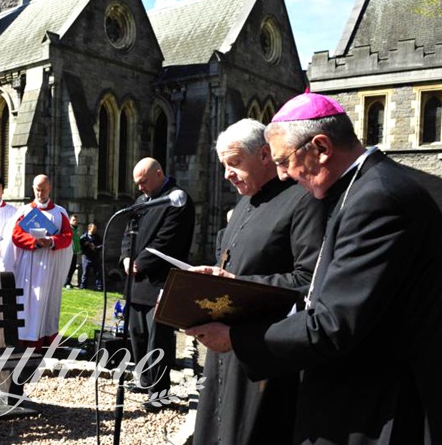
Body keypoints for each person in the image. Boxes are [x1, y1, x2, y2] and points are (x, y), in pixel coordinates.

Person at [187, 93, 442, 444]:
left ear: (320, 148)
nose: (284, 174)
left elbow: (334, 322)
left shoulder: (378, 198)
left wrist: (235, 338)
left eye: (284, 161)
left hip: (377, 405)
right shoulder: (362, 189)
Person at [189, 118, 326, 445]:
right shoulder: (243, 202)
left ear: (265, 155)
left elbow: (309, 279)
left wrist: (239, 283)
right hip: (225, 342)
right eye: (223, 165)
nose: (226, 174)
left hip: (264, 347)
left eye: (234, 163)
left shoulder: (301, 201)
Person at [120, 157, 194, 412]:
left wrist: (141, 262)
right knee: (137, 333)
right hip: (136, 280)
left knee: (157, 337)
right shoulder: (141, 202)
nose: (140, 188)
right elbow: (128, 232)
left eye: (143, 182)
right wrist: (126, 257)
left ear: (159, 173)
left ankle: (158, 391)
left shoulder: (178, 200)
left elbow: (169, 239)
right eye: (137, 184)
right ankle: (144, 379)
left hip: (162, 279)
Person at [3, 174, 73, 346]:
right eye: (37, 190)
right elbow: (16, 235)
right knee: (28, 303)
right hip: (29, 266)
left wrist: (52, 241)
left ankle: (45, 340)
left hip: (49, 266)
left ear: (49, 188)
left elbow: (67, 236)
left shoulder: (59, 213)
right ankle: (26, 340)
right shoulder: (25, 211)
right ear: (33, 189)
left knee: (47, 304)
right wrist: (34, 241)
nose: (40, 193)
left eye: (43, 189)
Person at [79, 223, 103, 290]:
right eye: (94, 229)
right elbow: (80, 247)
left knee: (98, 273)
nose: (95, 230)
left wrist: (95, 248)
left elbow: (102, 245)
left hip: (95, 257)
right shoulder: (83, 237)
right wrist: (86, 245)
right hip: (86, 257)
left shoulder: (98, 237)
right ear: (89, 228)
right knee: (85, 272)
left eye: (95, 229)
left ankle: (99, 287)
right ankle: (83, 286)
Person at [64, 214, 80, 288]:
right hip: (69, 252)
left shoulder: (76, 229)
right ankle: (66, 283)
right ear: (70, 221)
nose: (75, 221)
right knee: (69, 267)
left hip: (74, 252)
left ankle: (68, 282)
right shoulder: (69, 229)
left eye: (76, 220)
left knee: (73, 267)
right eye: (73, 220)